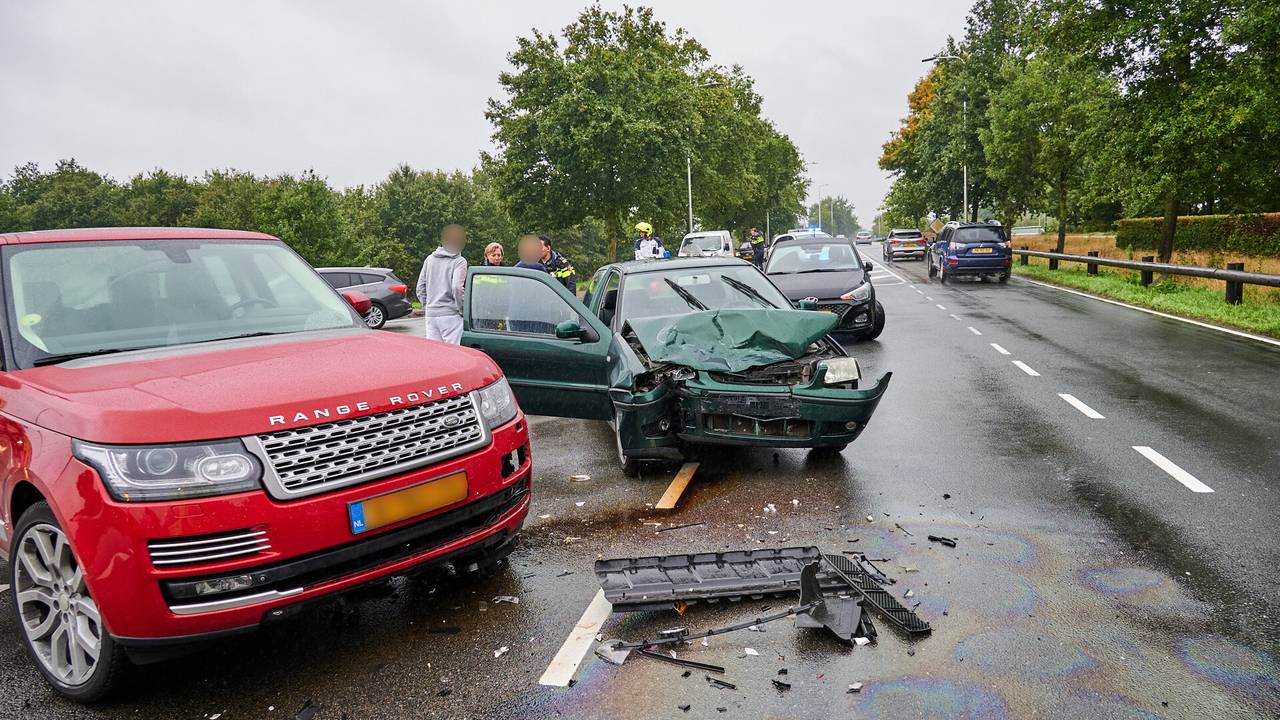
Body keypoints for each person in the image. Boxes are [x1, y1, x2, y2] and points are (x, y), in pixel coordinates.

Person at [415, 224, 468, 344]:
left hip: (431, 315)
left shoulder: (429, 259)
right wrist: (462, 310)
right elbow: (456, 288)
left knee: (436, 354)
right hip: (451, 316)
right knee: (454, 354)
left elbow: (420, 288)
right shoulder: (459, 261)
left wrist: (428, 305)